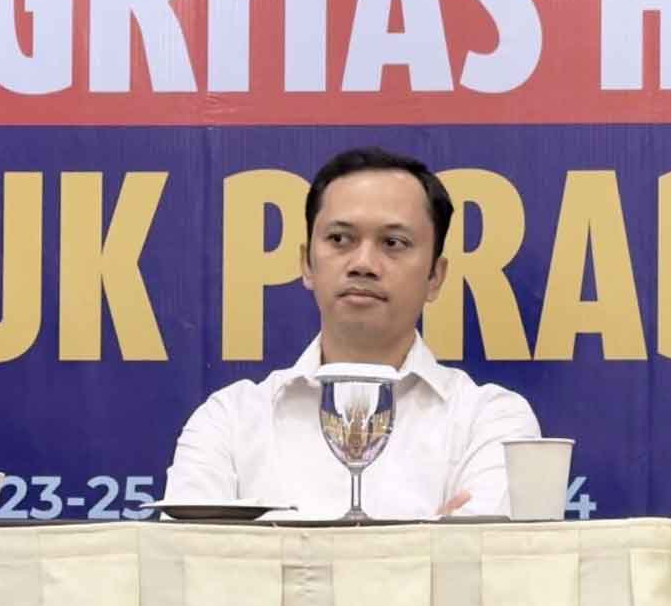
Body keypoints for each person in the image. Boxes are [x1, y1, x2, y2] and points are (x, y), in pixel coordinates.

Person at [165, 147, 539, 516]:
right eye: (340, 239)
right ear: (306, 264)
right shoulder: (228, 421)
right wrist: (429, 537)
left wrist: (265, 546)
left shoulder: (490, 421)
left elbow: (484, 557)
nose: (363, 264)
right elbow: (184, 554)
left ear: (435, 278)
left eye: (393, 243)